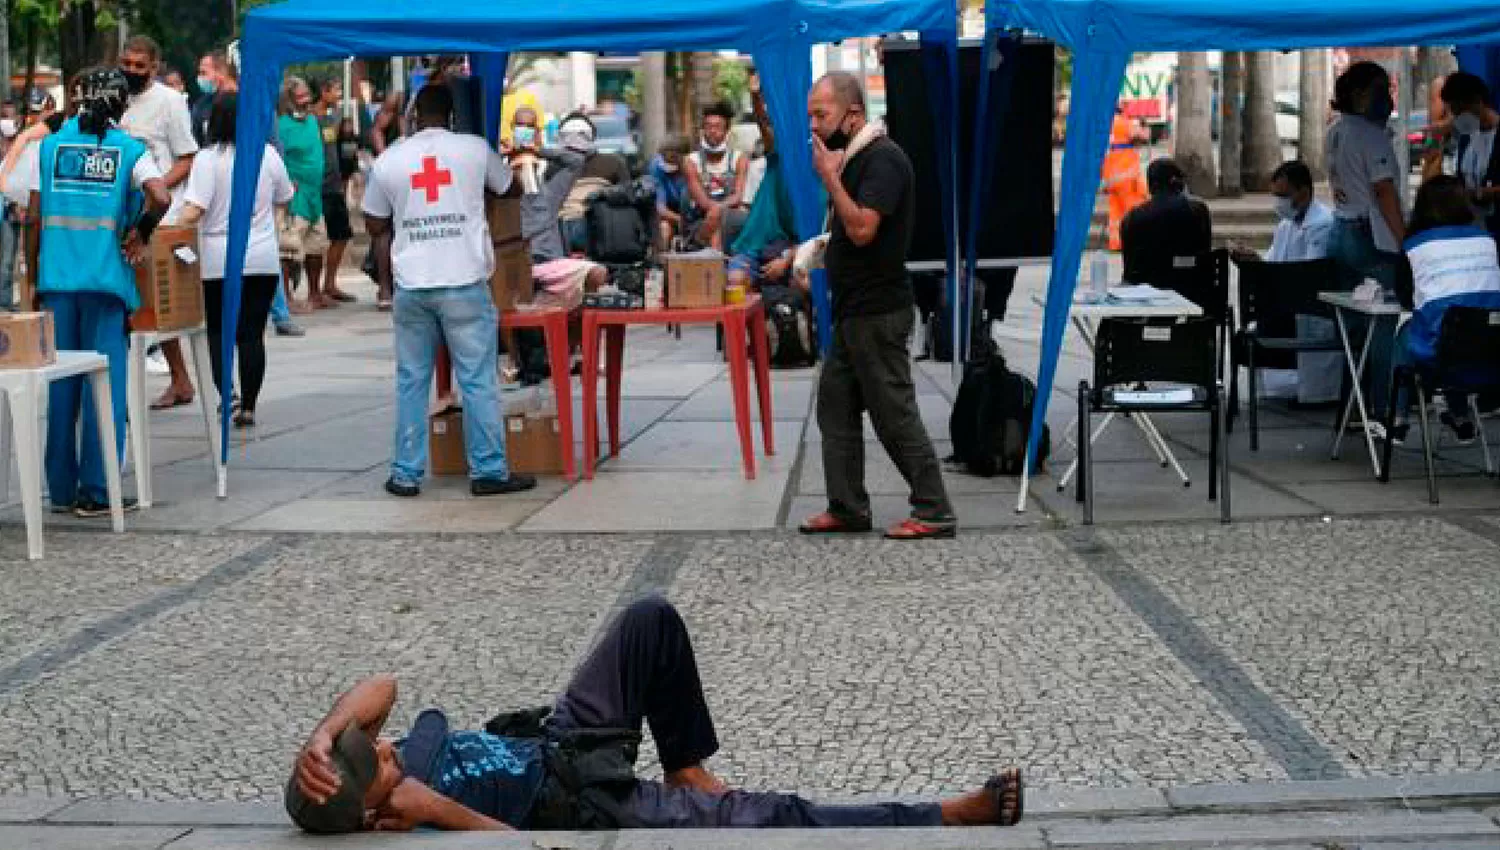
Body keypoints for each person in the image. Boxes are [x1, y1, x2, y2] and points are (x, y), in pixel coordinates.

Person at [285, 596, 1024, 834]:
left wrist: (323, 735)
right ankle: (945, 814)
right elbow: (520, 845)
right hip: (584, 803)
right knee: (764, 817)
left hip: (564, 737)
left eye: (379, 747)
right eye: (380, 764)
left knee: (649, 618)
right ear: (368, 813)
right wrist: (437, 808)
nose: (391, 751)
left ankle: (686, 762)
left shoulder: (396, 758)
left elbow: (381, 683)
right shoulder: (414, 813)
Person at [798, 72, 956, 541]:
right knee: (835, 407)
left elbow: (865, 228)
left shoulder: (882, 159)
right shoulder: (855, 158)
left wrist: (829, 179)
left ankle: (934, 509)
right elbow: (852, 234)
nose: (814, 125)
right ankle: (847, 507)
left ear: (852, 114)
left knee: (893, 412)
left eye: (820, 114)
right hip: (852, 311)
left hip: (878, 311)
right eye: (810, 114)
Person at [362, 83, 537, 498]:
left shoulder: (391, 159)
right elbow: (511, 188)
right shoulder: (474, 149)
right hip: (463, 280)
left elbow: (372, 223)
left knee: (411, 381)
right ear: (453, 117)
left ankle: (405, 474)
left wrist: (411, 213)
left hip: (413, 285)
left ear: (413, 116)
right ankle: (489, 472)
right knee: (477, 380)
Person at [24, 67, 170, 516]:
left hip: (57, 284)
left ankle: (62, 492)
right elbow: (161, 196)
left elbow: (32, 217)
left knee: (61, 387)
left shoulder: (48, 148)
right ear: (122, 105)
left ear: (78, 99)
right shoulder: (129, 150)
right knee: (104, 389)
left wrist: (33, 278)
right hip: (107, 286)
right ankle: (98, 491)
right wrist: (141, 232)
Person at [178, 93, 294, 430]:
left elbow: (194, 209)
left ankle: (227, 394)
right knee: (252, 334)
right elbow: (285, 196)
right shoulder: (267, 155)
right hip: (261, 258)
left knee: (219, 331)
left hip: (217, 259)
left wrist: (166, 226)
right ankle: (250, 407)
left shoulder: (207, 159)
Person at [120, 35, 202, 411]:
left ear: (155, 66)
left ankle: (182, 378)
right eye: (127, 63)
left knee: (161, 305)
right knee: (132, 304)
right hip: (119, 215)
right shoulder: (113, 96)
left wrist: (154, 189)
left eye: (140, 65)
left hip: (160, 217)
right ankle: (171, 380)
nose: (131, 71)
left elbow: (187, 158)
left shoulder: (170, 102)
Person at [1388, 175, 1500, 445]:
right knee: (1461, 328)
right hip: (1491, 350)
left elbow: (1406, 297)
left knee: (1408, 331)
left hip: (1440, 350)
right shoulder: (1488, 240)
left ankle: (1398, 418)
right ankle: (1459, 414)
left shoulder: (1415, 246)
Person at [1326, 61, 1405, 421]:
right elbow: (1384, 191)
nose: (1387, 99)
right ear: (1359, 95)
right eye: (1381, 90)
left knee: (1353, 326)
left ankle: (1352, 408)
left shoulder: (1336, 131)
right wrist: (1405, 241)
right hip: (1370, 235)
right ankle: (1384, 408)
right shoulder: (1370, 137)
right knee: (1383, 323)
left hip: (1341, 230)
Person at [1230, 160, 1341, 405]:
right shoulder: (1285, 225)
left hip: (1308, 309)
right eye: (1275, 195)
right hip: (1284, 305)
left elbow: (1308, 275)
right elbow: (1273, 263)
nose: (1278, 202)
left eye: (1283, 195)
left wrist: (1269, 272)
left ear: (1303, 192)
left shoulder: (1323, 225)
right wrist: (1253, 261)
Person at [1119, 158, 1213, 304]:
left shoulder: (1132, 217)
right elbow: (1205, 253)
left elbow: (1129, 269)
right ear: (1178, 183)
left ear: (1150, 186)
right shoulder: (1198, 211)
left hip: (1144, 297)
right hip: (1193, 294)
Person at [277, 75, 327, 316]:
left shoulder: (313, 122)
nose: (306, 100)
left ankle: (315, 293)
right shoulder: (281, 126)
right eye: (300, 96)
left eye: (308, 95)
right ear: (289, 100)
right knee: (288, 249)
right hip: (294, 195)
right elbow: (278, 159)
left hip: (315, 193)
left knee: (316, 245)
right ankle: (286, 297)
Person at [1431, 72, 1500, 242]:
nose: (1456, 118)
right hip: (1471, 228)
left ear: (1477, 102)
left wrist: (1482, 194)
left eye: (1460, 111)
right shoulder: (1466, 134)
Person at [555, 112, 631, 255]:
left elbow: (628, 195)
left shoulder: (613, 163)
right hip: (564, 230)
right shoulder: (553, 167)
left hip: (598, 227)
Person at [682, 101, 749, 250]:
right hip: (700, 219)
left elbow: (738, 196)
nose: (712, 131)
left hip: (730, 215)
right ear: (702, 129)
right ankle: (715, 265)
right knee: (714, 221)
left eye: (718, 127)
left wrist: (719, 209)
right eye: (708, 126)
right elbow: (703, 201)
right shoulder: (691, 161)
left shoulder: (739, 159)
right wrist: (716, 211)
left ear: (726, 130)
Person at [314, 77, 357, 307]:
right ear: (323, 91)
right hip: (319, 186)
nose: (339, 95)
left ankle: (330, 283)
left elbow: (342, 148)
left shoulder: (333, 118)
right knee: (318, 240)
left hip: (334, 184)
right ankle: (316, 287)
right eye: (336, 90)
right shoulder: (313, 119)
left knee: (341, 235)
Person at [1102, 104, 1148, 252]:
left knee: (1115, 212)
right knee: (1132, 210)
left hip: (1110, 175)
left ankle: (1115, 243)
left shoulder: (1103, 125)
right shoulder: (1124, 122)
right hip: (1126, 176)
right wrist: (1144, 125)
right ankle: (1134, 243)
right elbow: (1142, 137)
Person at [649, 133, 691, 250]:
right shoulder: (656, 167)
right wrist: (679, 219)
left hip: (690, 212)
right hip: (669, 212)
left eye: (673, 158)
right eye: (664, 157)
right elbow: (660, 207)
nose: (667, 161)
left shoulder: (692, 168)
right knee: (663, 228)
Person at [0, 100, 19, 311]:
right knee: (5, 262)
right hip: (5, 210)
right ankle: (3, 303)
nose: (8, 121)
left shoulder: (22, 143)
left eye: (11, 116)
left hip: (19, 210)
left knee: (12, 261)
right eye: (4, 116)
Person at [190, 50, 231, 146]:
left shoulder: (250, 103)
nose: (199, 78)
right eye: (199, 73)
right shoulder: (200, 106)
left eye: (204, 73)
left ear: (222, 71)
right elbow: (196, 143)